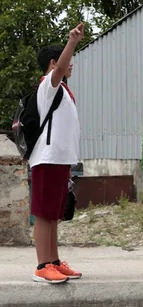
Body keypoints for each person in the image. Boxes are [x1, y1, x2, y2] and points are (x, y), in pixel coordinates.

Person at [30, 23, 85, 284]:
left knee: (54, 213)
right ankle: (42, 265)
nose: (69, 65)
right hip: (47, 158)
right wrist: (72, 42)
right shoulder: (49, 85)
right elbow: (61, 69)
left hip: (60, 160)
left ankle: (53, 261)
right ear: (54, 63)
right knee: (43, 213)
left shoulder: (63, 91)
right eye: (64, 60)